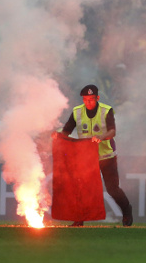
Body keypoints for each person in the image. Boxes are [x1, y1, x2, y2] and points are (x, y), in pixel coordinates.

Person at [55, 84, 133, 227]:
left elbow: (112, 131)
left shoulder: (106, 111)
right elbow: (66, 131)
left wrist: (101, 137)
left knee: (112, 189)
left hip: (106, 156)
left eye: (91, 99)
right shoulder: (77, 112)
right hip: (86, 158)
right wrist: (57, 136)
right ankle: (79, 219)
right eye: (85, 99)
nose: (88, 102)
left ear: (97, 98)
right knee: (82, 188)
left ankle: (127, 210)